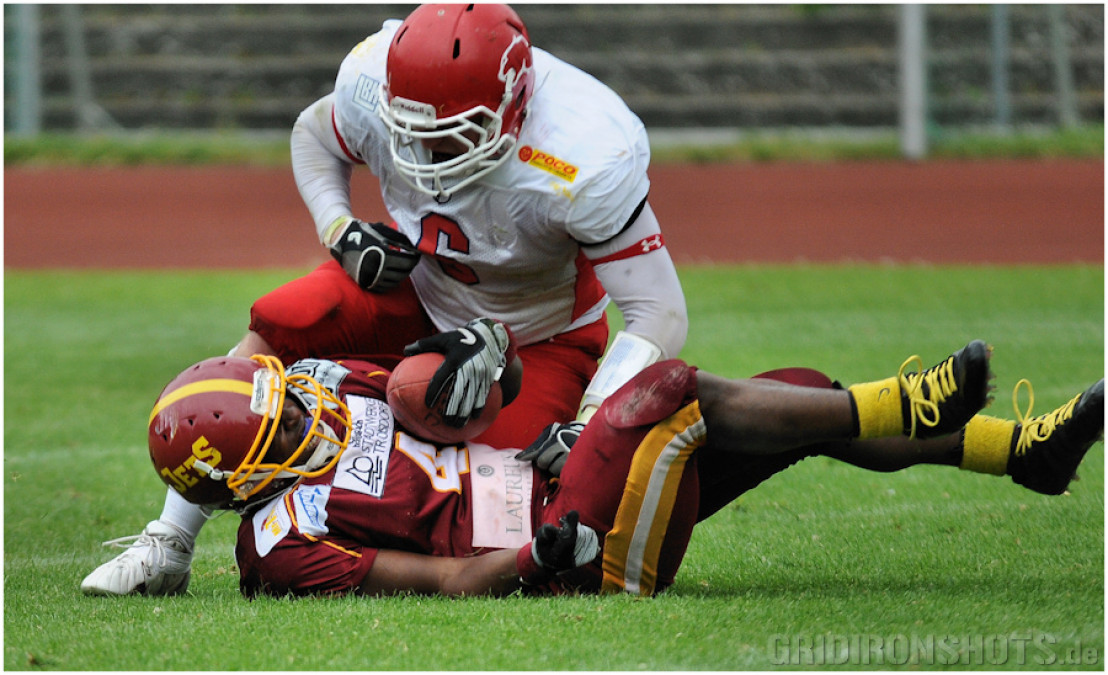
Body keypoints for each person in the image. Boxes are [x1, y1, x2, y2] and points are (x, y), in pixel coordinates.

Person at [81, 3, 689, 596]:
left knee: (506, 495)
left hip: (538, 337)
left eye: (451, 136)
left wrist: (589, 420)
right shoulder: (373, 79)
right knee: (288, 319)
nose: (426, 157)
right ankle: (169, 541)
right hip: (421, 288)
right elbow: (314, 133)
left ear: (514, 106)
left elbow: (657, 310)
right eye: (413, 132)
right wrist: (339, 228)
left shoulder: (585, 150)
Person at [135, 335, 1101, 598]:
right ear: (244, 474)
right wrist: (542, 555)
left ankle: (1025, 451)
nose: (304, 403)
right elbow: (451, 576)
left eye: (288, 392)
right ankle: (901, 401)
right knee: (667, 388)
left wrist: (479, 367)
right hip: (570, 557)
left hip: (552, 479)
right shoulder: (281, 540)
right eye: (283, 419)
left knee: (792, 391)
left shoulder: (327, 384)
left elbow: (450, 417)